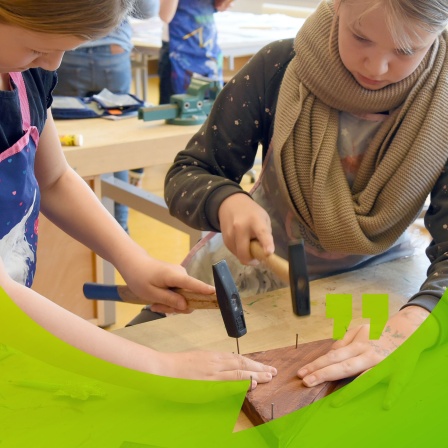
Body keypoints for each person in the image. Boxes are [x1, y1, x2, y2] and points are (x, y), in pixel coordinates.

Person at [164, 0, 448, 392]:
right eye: (361, 37)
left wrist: (418, 317)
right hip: (255, 280)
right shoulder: (279, 69)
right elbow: (187, 174)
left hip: (380, 288)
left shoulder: (442, 102)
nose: (376, 67)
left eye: (405, 50)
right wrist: (227, 201)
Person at [0, 0, 277, 388]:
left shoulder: (25, 74)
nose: (53, 65)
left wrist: (134, 261)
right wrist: (159, 367)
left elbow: (55, 179)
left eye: (69, 48)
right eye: (36, 48)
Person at [53, 0, 157, 232]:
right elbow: (148, 10)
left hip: (69, 51)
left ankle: (77, 230)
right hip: (113, 52)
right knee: (115, 141)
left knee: (69, 143)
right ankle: (119, 227)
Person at [158, 0, 233, 104]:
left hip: (207, 48)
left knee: (212, 108)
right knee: (178, 111)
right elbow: (165, 16)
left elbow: (220, 6)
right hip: (179, 52)